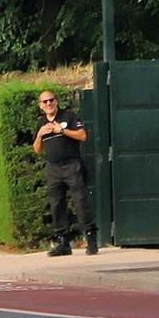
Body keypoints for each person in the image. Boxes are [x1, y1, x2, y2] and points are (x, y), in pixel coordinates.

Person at [33, 89, 96, 256]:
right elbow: (37, 149)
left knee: (80, 201)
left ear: (56, 101)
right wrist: (40, 135)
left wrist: (61, 131)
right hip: (53, 168)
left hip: (71, 165)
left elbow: (82, 136)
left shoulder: (68, 116)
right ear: (40, 105)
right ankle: (63, 242)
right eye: (45, 102)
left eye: (51, 100)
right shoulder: (41, 123)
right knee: (56, 204)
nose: (49, 104)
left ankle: (90, 239)